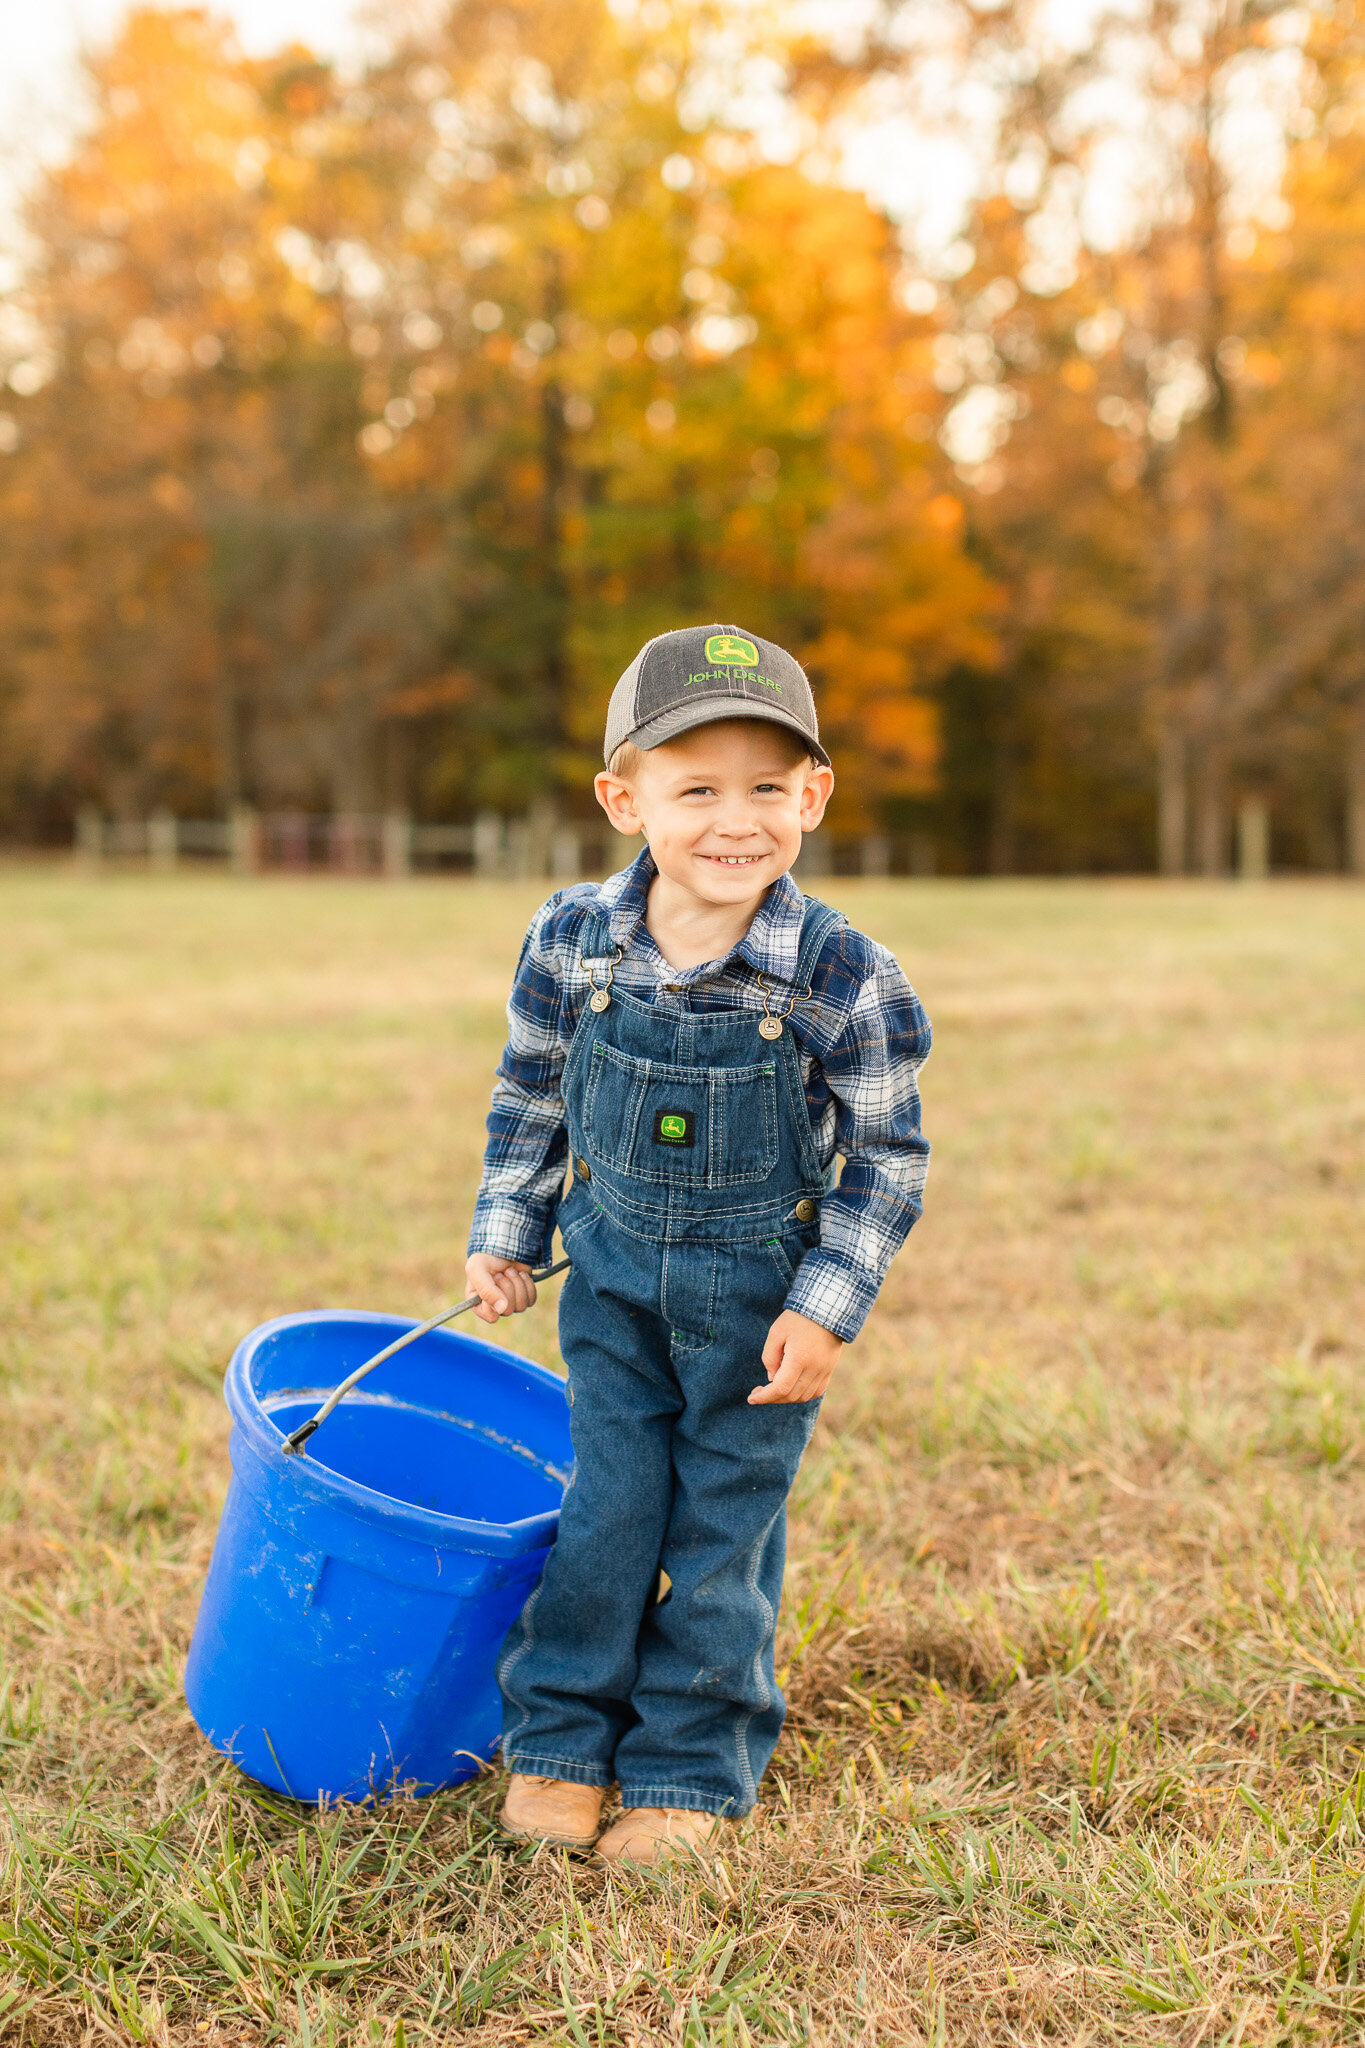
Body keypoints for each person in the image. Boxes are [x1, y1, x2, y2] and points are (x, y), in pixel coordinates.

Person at [464, 624, 931, 1865]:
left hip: (759, 1305)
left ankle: (686, 1771)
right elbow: (531, 1092)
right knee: (609, 1511)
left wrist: (828, 1305)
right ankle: (563, 1741)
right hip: (610, 1285)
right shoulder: (573, 939)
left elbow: (886, 1159)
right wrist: (509, 1229)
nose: (738, 820)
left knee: (721, 1535)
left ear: (814, 797)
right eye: (698, 787)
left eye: (769, 787)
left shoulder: (844, 971)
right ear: (626, 798)